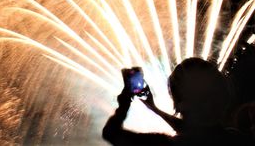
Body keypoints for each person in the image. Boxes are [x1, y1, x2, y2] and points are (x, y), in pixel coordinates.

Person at [102, 57, 253, 145]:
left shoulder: (168, 144)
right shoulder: (236, 138)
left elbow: (111, 133)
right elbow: (200, 131)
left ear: (180, 103)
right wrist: (155, 109)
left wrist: (125, 101)